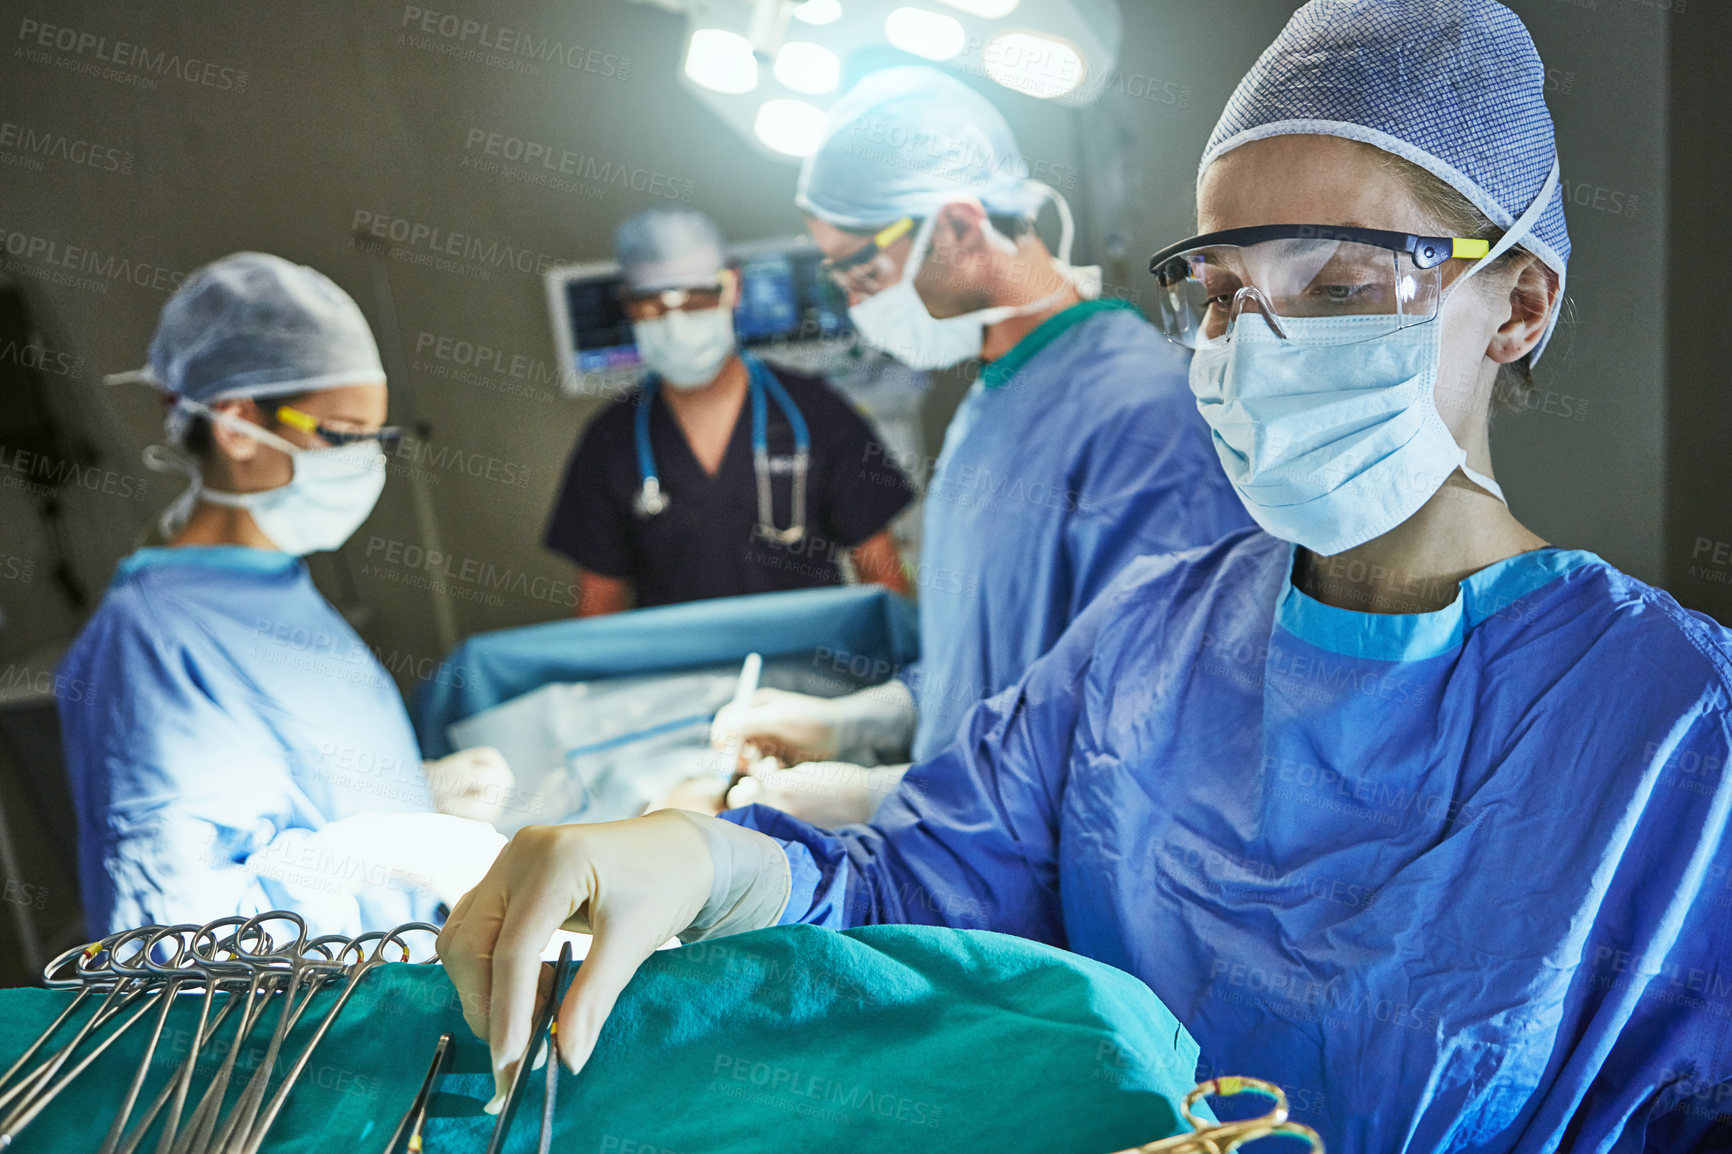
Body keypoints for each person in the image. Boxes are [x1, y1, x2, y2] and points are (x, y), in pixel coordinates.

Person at [437, 4, 1732, 1149]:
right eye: (1220, 288)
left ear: (1518, 305)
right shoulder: (1146, 639)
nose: (1252, 340)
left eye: (1341, 284)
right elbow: (909, 881)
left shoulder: (1683, 736)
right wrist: (707, 858)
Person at [712, 67, 1252, 813]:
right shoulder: (992, 400)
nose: (857, 302)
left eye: (862, 269)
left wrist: (878, 799)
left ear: (962, 226)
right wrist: (859, 724)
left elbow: (1145, 732)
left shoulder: (1142, 419)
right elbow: (993, 658)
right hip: (965, 848)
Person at [64, 252, 508, 938]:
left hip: (390, 975)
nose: (366, 461)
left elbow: (296, 784)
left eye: (375, 437)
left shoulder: (275, 581)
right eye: (342, 435)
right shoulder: (149, 644)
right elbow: (177, 939)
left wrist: (421, 798)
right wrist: (386, 854)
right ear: (237, 426)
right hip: (294, 1029)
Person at [543, 208, 915, 617]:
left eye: (696, 297)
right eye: (653, 305)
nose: (677, 322)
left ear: (732, 287)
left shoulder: (817, 414)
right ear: (628, 306)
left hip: (812, 669)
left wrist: (898, 674)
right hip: (680, 676)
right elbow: (598, 611)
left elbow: (884, 582)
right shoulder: (611, 440)